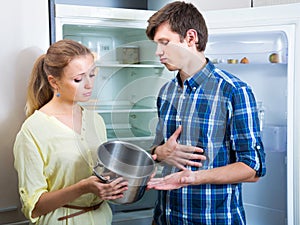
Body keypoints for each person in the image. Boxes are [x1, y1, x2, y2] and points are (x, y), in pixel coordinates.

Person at [145, 1, 266, 225]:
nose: (158, 52)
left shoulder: (233, 91)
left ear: (191, 38)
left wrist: (194, 178)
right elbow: (158, 150)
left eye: (164, 43)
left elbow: (253, 168)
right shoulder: (166, 92)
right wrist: (160, 152)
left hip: (214, 219)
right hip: (165, 218)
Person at [13, 39, 128, 225]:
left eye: (92, 75)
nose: (89, 85)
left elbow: (103, 173)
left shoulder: (95, 120)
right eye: (78, 79)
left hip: (103, 218)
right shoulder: (33, 131)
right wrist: (83, 187)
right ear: (54, 82)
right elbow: (34, 207)